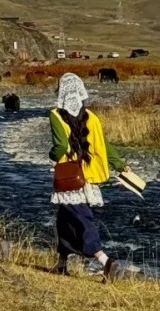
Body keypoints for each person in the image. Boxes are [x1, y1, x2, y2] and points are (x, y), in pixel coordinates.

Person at [49, 73, 129, 282]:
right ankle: (61, 264)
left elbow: (60, 147)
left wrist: (52, 156)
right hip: (89, 176)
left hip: (70, 177)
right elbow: (104, 145)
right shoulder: (91, 117)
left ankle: (105, 261)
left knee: (82, 218)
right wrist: (119, 165)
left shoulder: (56, 116)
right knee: (66, 219)